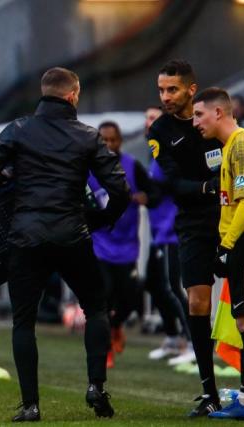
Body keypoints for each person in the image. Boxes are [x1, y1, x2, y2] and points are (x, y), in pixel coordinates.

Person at [0, 67, 129, 422]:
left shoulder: (19, 129)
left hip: (25, 236)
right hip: (72, 232)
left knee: (23, 322)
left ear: (44, 93)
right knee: (96, 308)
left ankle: (30, 405)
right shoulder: (88, 136)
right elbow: (119, 188)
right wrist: (103, 219)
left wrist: (9, 176)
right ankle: (96, 385)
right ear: (73, 95)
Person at [192, 87, 244, 420]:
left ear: (218, 113)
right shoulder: (233, 145)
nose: (195, 122)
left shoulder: (240, 144)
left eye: (199, 114)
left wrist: (226, 244)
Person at [147, 60, 222, 416]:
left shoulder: (214, 116)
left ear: (191, 90)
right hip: (192, 222)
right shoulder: (159, 131)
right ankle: (210, 393)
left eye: (172, 89)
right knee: (196, 303)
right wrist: (209, 187)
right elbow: (172, 183)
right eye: (161, 90)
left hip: (233, 218)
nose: (165, 97)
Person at [89, 121, 155, 369]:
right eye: (103, 140)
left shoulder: (132, 167)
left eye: (112, 140)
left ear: (120, 141)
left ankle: (117, 325)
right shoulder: (88, 169)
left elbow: (153, 194)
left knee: (130, 297)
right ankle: (106, 349)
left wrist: (143, 197)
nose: (108, 144)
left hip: (127, 245)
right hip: (100, 244)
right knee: (103, 295)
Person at [143, 106, 192, 361]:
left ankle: (192, 343)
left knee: (177, 287)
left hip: (173, 229)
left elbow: (166, 185)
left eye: (152, 118)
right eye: (146, 119)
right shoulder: (153, 152)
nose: (148, 123)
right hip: (158, 230)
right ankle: (174, 338)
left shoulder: (167, 152)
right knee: (153, 283)